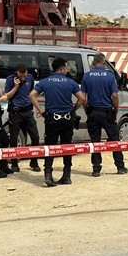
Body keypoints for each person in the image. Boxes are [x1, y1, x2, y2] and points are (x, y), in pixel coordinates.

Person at [32, 56, 85, 187]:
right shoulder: (71, 82)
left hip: (52, 119)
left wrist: (40, 110)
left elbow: (31, 95)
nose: (67, 70)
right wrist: (73, 109)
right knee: (67, 147)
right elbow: (82, 99)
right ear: (62, 69)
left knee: (50, 147)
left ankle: (48, 175)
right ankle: (67, 175)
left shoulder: (45, 82)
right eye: (66, 68)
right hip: (67, 119)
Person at [80, 52, 128, 176]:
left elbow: (82, 97)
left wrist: (86, 109)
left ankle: (96, 169)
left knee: (95, 141)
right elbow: (114, 95)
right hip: (107, 112)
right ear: (102, 62)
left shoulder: (87, 76)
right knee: (114, 139)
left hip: (93, 111)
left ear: (94, 62)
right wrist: (116, 109)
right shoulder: (110, 76)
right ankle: (120, 166)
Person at [4, 64, 40, 173]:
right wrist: (16, 86)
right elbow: (7, 96)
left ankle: (34, 161)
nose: (23, 78)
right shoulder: (10, 80)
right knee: (14, 138)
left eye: (24, 76)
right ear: (16, 72)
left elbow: (32, 93)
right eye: (21, 76)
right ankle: (14, 163)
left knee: (35, 136)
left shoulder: (30, 78)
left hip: (28, 112)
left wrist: (37, 107)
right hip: (16, 112)